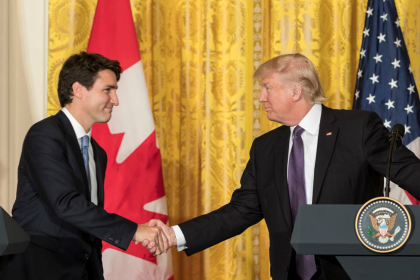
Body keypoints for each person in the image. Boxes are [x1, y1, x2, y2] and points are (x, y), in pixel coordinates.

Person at [143, 53, 420, 280]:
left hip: (353, 273)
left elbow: (412, 174)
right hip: (290, 274)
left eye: (267, 88)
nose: (261, 98)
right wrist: (174, 235)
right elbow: (241, 210)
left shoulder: (357, 129)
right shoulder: (265, 148)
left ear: (296, 91)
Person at [0, 52, 168, 280]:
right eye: (107, 90)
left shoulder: (97, 152)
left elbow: (90, 219)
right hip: (40, 268)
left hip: (83, 270)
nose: (115, 100)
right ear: (78, 90)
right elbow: (66, 203)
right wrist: (135, 231)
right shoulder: (45, 135)